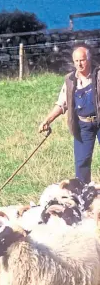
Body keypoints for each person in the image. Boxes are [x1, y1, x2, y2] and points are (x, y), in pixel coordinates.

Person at [39, 46, 100, 184]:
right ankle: (83, 195)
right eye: (76, 61)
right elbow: (62, 103)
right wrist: (47, 120)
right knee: (81, 162)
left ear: (89, 60)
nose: (79, 64)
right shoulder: (70, 80)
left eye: (82, 60)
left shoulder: (98, 75)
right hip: (83, 126)